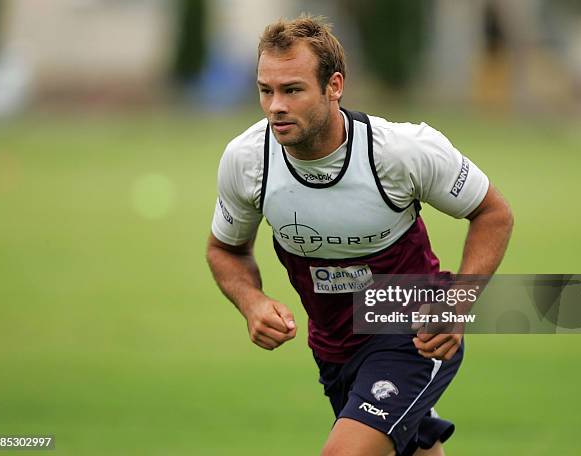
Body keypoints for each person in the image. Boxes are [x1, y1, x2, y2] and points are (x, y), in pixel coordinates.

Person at [206, 15, 513, 456]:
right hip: (332, 346)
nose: (275, 105)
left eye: (292, 90)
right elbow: (224, 249)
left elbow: (493, 213)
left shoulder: (402, 151)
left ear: (334, 86)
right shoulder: (247, 160)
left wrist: (457, 303)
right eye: (265, 90)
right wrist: (251, 301)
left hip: (410, 329)